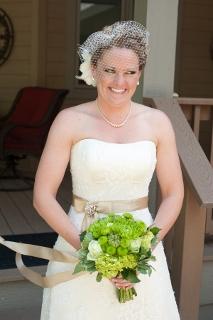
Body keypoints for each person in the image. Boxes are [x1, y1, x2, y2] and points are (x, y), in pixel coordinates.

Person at [33, 21, 184, 319]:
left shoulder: (158, 123)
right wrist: (91, 252)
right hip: (79, 241)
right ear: (94, 69)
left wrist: (143, 250)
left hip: (142, 247)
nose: (119, 82)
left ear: (139, 74)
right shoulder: (69, 120)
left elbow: (174, 192)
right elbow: (42, 196)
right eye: (110, 70)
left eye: (130, 72)